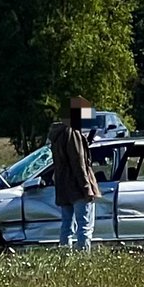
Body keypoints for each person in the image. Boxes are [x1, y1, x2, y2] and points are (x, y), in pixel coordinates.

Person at [47, 97, 102, 251]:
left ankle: (65, 256)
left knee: (67, 226)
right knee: (85, 226)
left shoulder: (58, 134)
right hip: (77, 188)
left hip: (63, 187)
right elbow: (79, 163)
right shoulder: (73, 134)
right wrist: (87, 188)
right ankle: (83, 257)